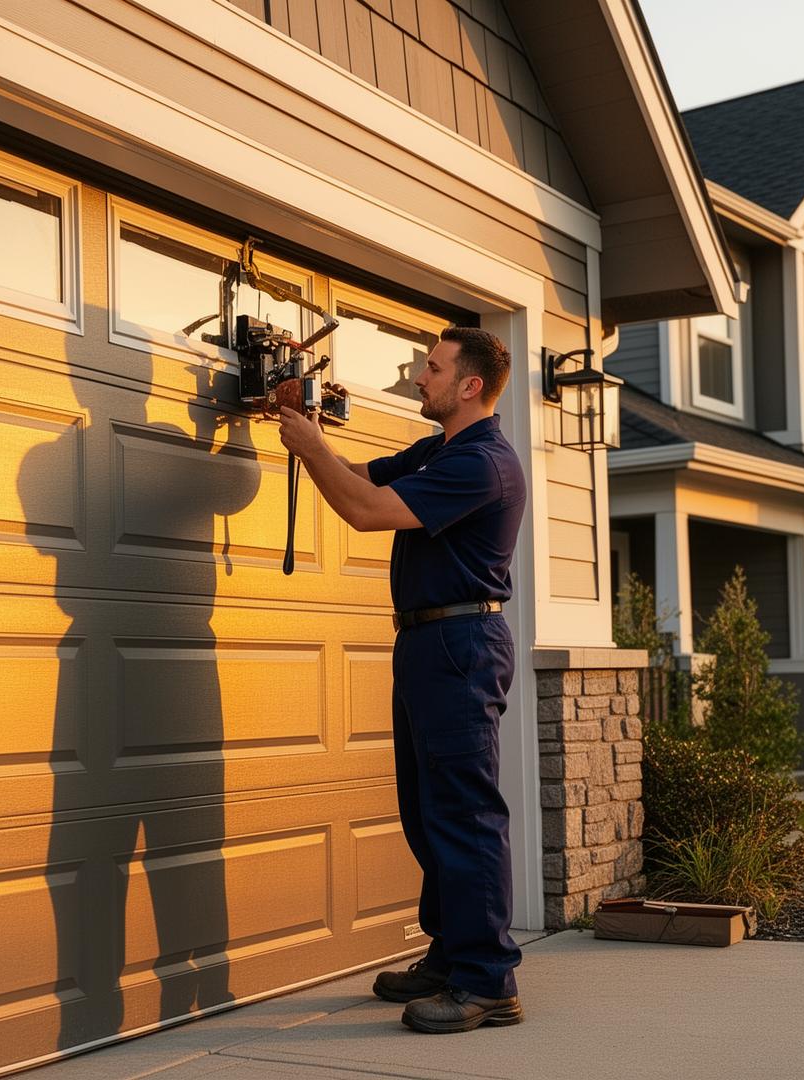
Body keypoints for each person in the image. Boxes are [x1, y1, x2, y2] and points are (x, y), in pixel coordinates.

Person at [275, 326, 527, 1034]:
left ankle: (488, 981)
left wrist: (310, 447)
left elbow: (364, 511)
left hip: (461, 643)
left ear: (469, 384)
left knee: (464, 813)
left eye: (433, 368)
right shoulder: (438, 451)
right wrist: (312, 422)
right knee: (425, 809)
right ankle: (451, 954)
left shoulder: (485, 463)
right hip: (426, 641)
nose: (420, 377)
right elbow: (360, 476)